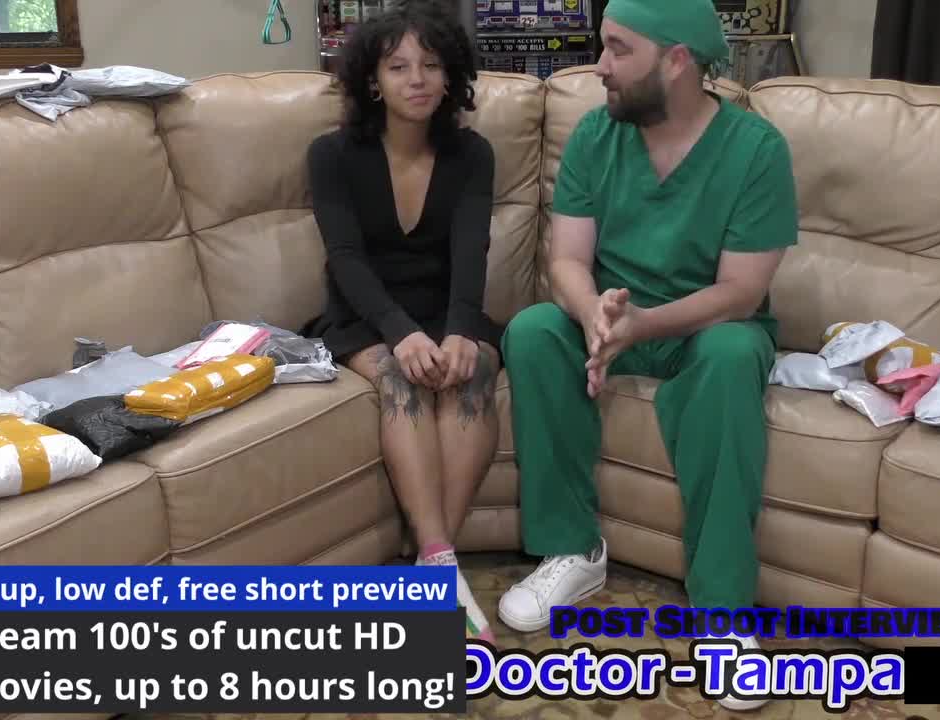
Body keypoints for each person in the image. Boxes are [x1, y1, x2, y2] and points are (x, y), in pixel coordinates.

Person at [496, 0, 798, 710]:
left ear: (678, 60)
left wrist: (644, 325)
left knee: (731, 355)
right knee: (534, 331)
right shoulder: (596, 134)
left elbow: (741, 292)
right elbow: (567, 260)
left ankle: (723, 613)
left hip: (703, 328)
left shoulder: (757, 151)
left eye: (618, 49)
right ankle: (574, 550)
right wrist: (593, 316)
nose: (599, 65)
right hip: (612, 318)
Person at [304, 0, 503, 645]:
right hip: (367, 315)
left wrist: (461, 330)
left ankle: (432, 570)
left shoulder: (472, 153)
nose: (417, 79)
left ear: (450, 78)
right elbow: (345, 258)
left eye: (431, 65)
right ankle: (442, 566)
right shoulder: (331, 154)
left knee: (471, 378)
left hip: (449, 309)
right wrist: (400, 331)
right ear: (373, 81)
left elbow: (471, 249)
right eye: (398, 67)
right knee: (401, 378)